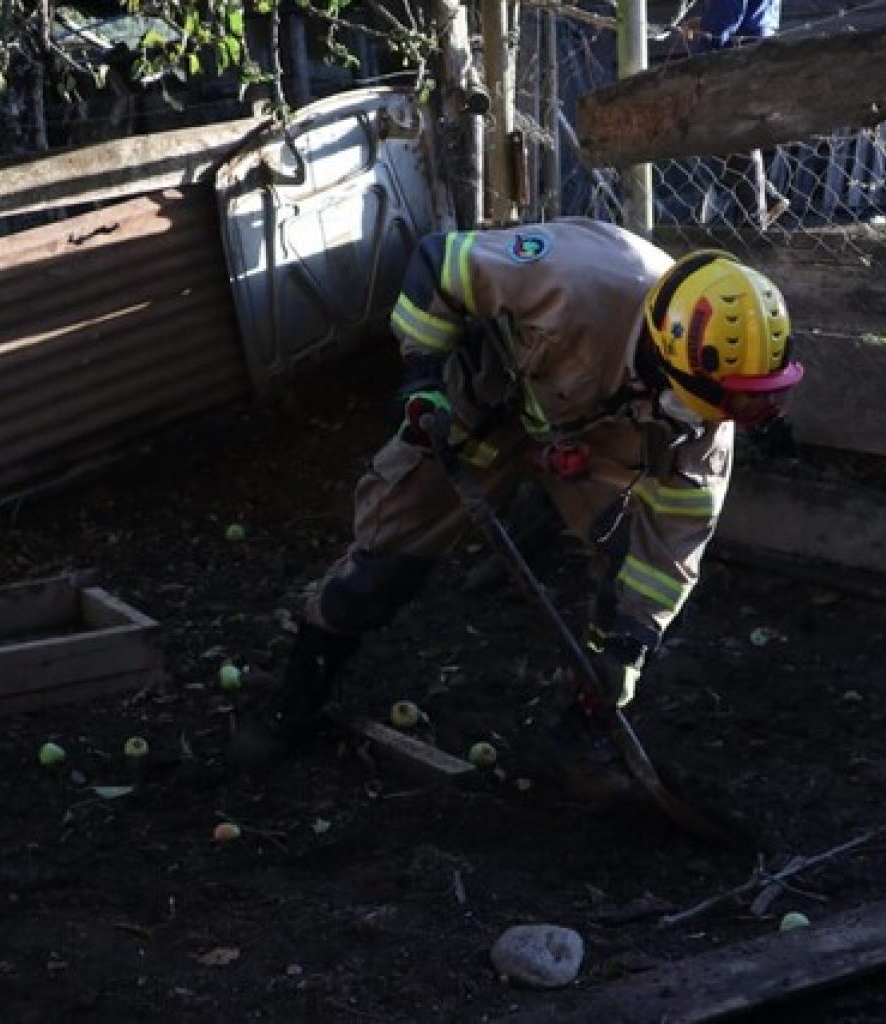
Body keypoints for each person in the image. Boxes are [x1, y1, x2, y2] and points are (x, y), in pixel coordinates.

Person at [275, 219, 804, 742]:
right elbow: (440, 264)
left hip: (594, 436)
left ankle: (582, 728)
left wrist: (628, 652)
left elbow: (670, 554)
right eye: (733, 397)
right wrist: (422, 379)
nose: (737, 414)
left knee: (627, 569)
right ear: (676, 363)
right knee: (382, 568)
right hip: (489, 399)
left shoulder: (703, 428)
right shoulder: (576, 279)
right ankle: (298, 694)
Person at [685, 0, 790, 230]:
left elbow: (726, 17)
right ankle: (766, 200)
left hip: (737, 55)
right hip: (759, 47)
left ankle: (754, 220)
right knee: (732, 137)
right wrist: (706, 23)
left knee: (734, 135)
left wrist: (705, 44)